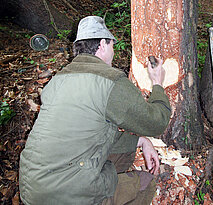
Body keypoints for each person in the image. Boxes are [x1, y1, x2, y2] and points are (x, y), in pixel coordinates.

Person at [19, 16, 171, 205]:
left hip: (32, 188)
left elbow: (88, 130)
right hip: (64, 195)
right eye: (112, 45)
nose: (113, 52)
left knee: (122, 155)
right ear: (102, 45)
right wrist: (158, 83)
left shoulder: (58, 80)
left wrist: (142, 141)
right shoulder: (109, 81)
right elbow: (156, 122)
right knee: (145, 183)